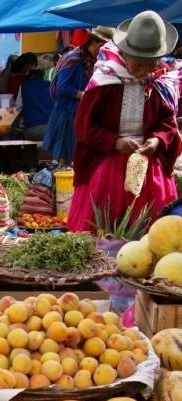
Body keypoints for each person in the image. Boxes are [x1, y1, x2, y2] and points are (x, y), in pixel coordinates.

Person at [68, 11, 182, 234]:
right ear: (124, 54)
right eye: (139, 65)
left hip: (147, 168)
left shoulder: (157, 83)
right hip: (107, 165)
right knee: (104, 228)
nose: (144, 72)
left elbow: (167, 123)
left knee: (153, 232)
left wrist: (156, 141)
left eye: (150, 65)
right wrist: (115, 142)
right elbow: (84, 126)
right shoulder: (104, 81)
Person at [43, 26, 114, 166]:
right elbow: (62, 87)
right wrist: (82, 95)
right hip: (67, 114)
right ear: (94, 43)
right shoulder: (74, 59)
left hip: (80, 112)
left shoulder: (92, 61)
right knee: (67, 157)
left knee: (76, 157)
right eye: (103, 47)